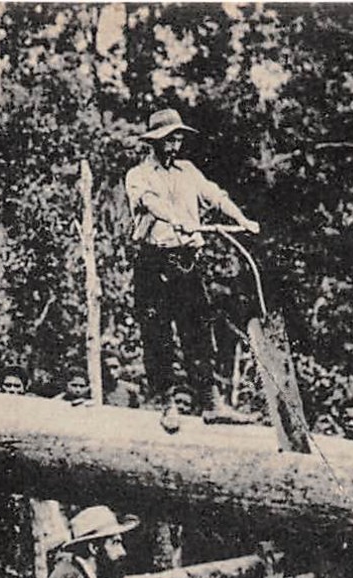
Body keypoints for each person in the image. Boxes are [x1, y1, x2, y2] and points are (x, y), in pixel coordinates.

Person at [124, 107, 260, 423]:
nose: (174, 147)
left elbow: (214, 196)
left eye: (179, 140)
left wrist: (241, 218)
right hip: (153, 262)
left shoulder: (188, 171)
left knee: (198, 330)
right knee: (157, 333)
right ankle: (165, 403)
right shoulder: (139, 175)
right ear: (154, 142)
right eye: (169, 141)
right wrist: (176, 220)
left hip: (186, 261)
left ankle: (211, 404)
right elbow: (149, 202)